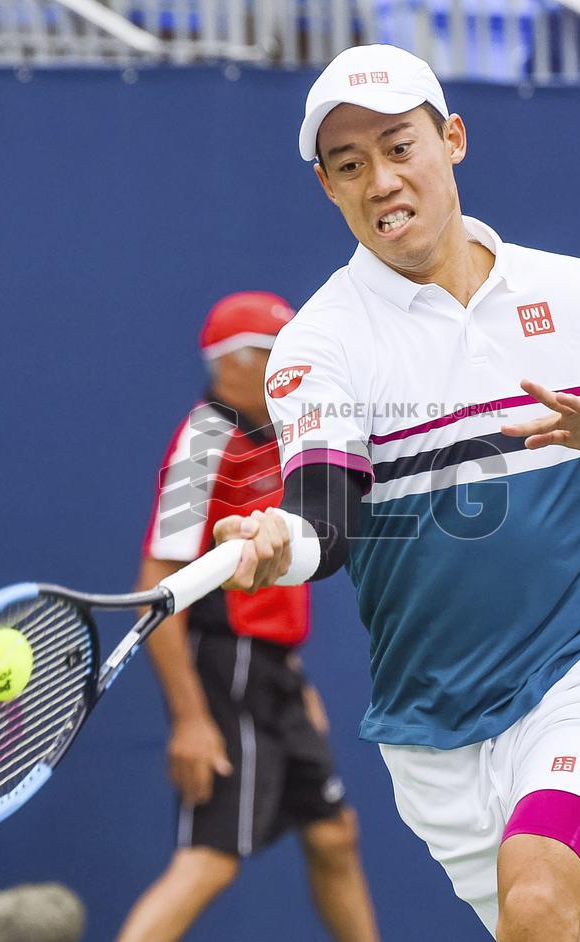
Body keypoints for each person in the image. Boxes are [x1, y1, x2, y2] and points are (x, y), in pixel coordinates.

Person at [211, 46, 580, 942]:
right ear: (328, 188)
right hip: (434, 738)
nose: (383, 181)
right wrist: (283, 542)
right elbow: (327, 518)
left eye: (401, 148)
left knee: (542, 895)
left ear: (454, 140)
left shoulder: (576, 293)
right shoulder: (319, 343)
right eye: (350, 166)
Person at [116, 291, 380, 942]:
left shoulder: (282, 439)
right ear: (230, 365)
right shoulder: (206, 439)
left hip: (272, 674)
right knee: (209, 860)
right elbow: (157, 585)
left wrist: (293, 678)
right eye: (272, 357)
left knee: (334, 836)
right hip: (225, 671)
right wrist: (189, 719)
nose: (287, 373)